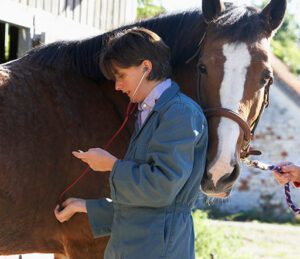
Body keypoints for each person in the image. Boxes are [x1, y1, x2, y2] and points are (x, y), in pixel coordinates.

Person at [54, 27, 208, 259]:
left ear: (146, 67)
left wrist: (112, 166)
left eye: (121, 75)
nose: (117, 86)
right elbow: (141, 207)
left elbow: (161, 189)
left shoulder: (179, 113)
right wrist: (84, 206)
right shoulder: (149, 112)